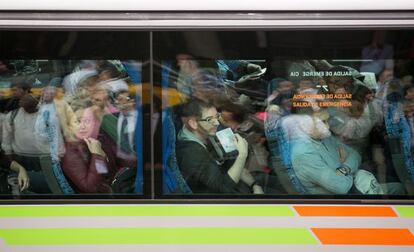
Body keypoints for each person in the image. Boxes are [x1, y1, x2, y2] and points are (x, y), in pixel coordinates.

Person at [176, 99, 264, 194]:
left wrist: (254, 184)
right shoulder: (191, 153)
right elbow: (224, 188)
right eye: (210, 119)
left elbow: (229, 163)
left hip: (231, 180)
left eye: (217, 116)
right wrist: (242, 155)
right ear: (193, 123)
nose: (217, 123)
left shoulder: (206, 133)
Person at [98, 89, 138, 193]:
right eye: (117, 99)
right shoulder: (119, 117)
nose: (117, 102)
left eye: (121, 100)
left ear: (132, 102)